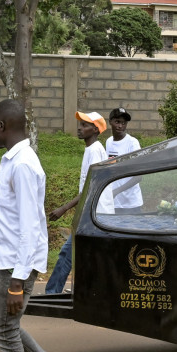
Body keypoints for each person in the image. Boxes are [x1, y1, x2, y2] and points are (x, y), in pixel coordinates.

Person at [0, 99, 82, 352]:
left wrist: (17, 281)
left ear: (2, 126)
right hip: (6, 260)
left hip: (17, 265)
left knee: (5, 331)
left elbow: (30, 227)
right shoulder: (13, 160)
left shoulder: (24, 164)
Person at [45, 110, 114, 294]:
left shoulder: (96, 150)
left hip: (98, 213)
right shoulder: (91, 149)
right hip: (92, 212)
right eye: (81, 124)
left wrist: (64, 208)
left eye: (85, 125)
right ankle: (88, 291)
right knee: (84, 254)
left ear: (95, 129)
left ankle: (53, 293)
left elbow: (90, 188)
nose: (80, 128)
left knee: (69, 253)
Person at [105, 107, 143, 215]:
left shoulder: (132, 143)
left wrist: (117, 191)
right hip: (114, 202)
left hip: (131, 203)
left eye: (123, 123)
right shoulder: (108, 142)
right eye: (117, 122)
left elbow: (138, 176)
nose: (120, 126)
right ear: (110, 122)